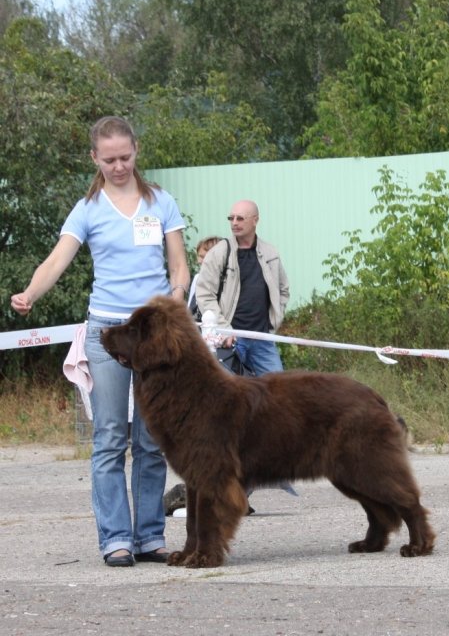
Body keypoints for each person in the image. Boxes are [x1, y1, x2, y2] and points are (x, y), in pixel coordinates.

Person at [11, 116, 190, 568]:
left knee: (151, 441)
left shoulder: (161, 202)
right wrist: (30, 293)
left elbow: (179, 267)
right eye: (108, 159)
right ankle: (115, 539)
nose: (118, 166)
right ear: (94, 158)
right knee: (111, 438)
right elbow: (57, 261)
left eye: (125, 157)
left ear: (137, 151)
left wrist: (176, 299)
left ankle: (150, 536)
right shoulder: (87, 209)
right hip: (108, 334)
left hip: (153, 336)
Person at [195, 199, 297, 505]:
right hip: (229, 338)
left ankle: (266, 466)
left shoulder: (271, 253)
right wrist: (222, 328)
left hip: (261, 339)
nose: (235, 222)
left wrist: (273, 320)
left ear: (255, 220)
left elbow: (283, 290)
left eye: (240, 218)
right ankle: (223, 472)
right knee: (226, 408)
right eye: (231, 217)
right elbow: (204, 292)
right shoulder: (220, 253)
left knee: (281, 399)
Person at [187, 236, 221, 319]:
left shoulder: (227, 282)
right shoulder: (197, 278)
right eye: (199, 256)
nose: (199, 261)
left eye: (203, 257)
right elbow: (189, 309)